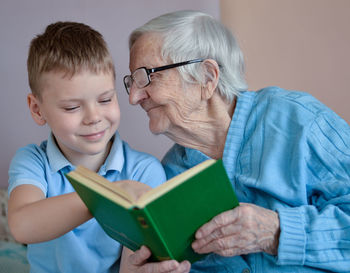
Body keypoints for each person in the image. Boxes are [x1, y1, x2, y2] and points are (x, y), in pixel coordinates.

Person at [123, 10, 350, 273]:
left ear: (206, 78)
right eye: (132, 82)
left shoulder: (298, 121)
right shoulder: (169, 176)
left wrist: (276, 232)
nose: (134, 97)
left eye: (148, 76)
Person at [7, 21, 168, 273]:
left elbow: (132, 265)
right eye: (72, 107)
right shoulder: (32, 161)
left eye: (105, 99)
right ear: (38, 110)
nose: (94, 117)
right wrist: (109, 196)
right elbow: (21, 226)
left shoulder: (143, 171)